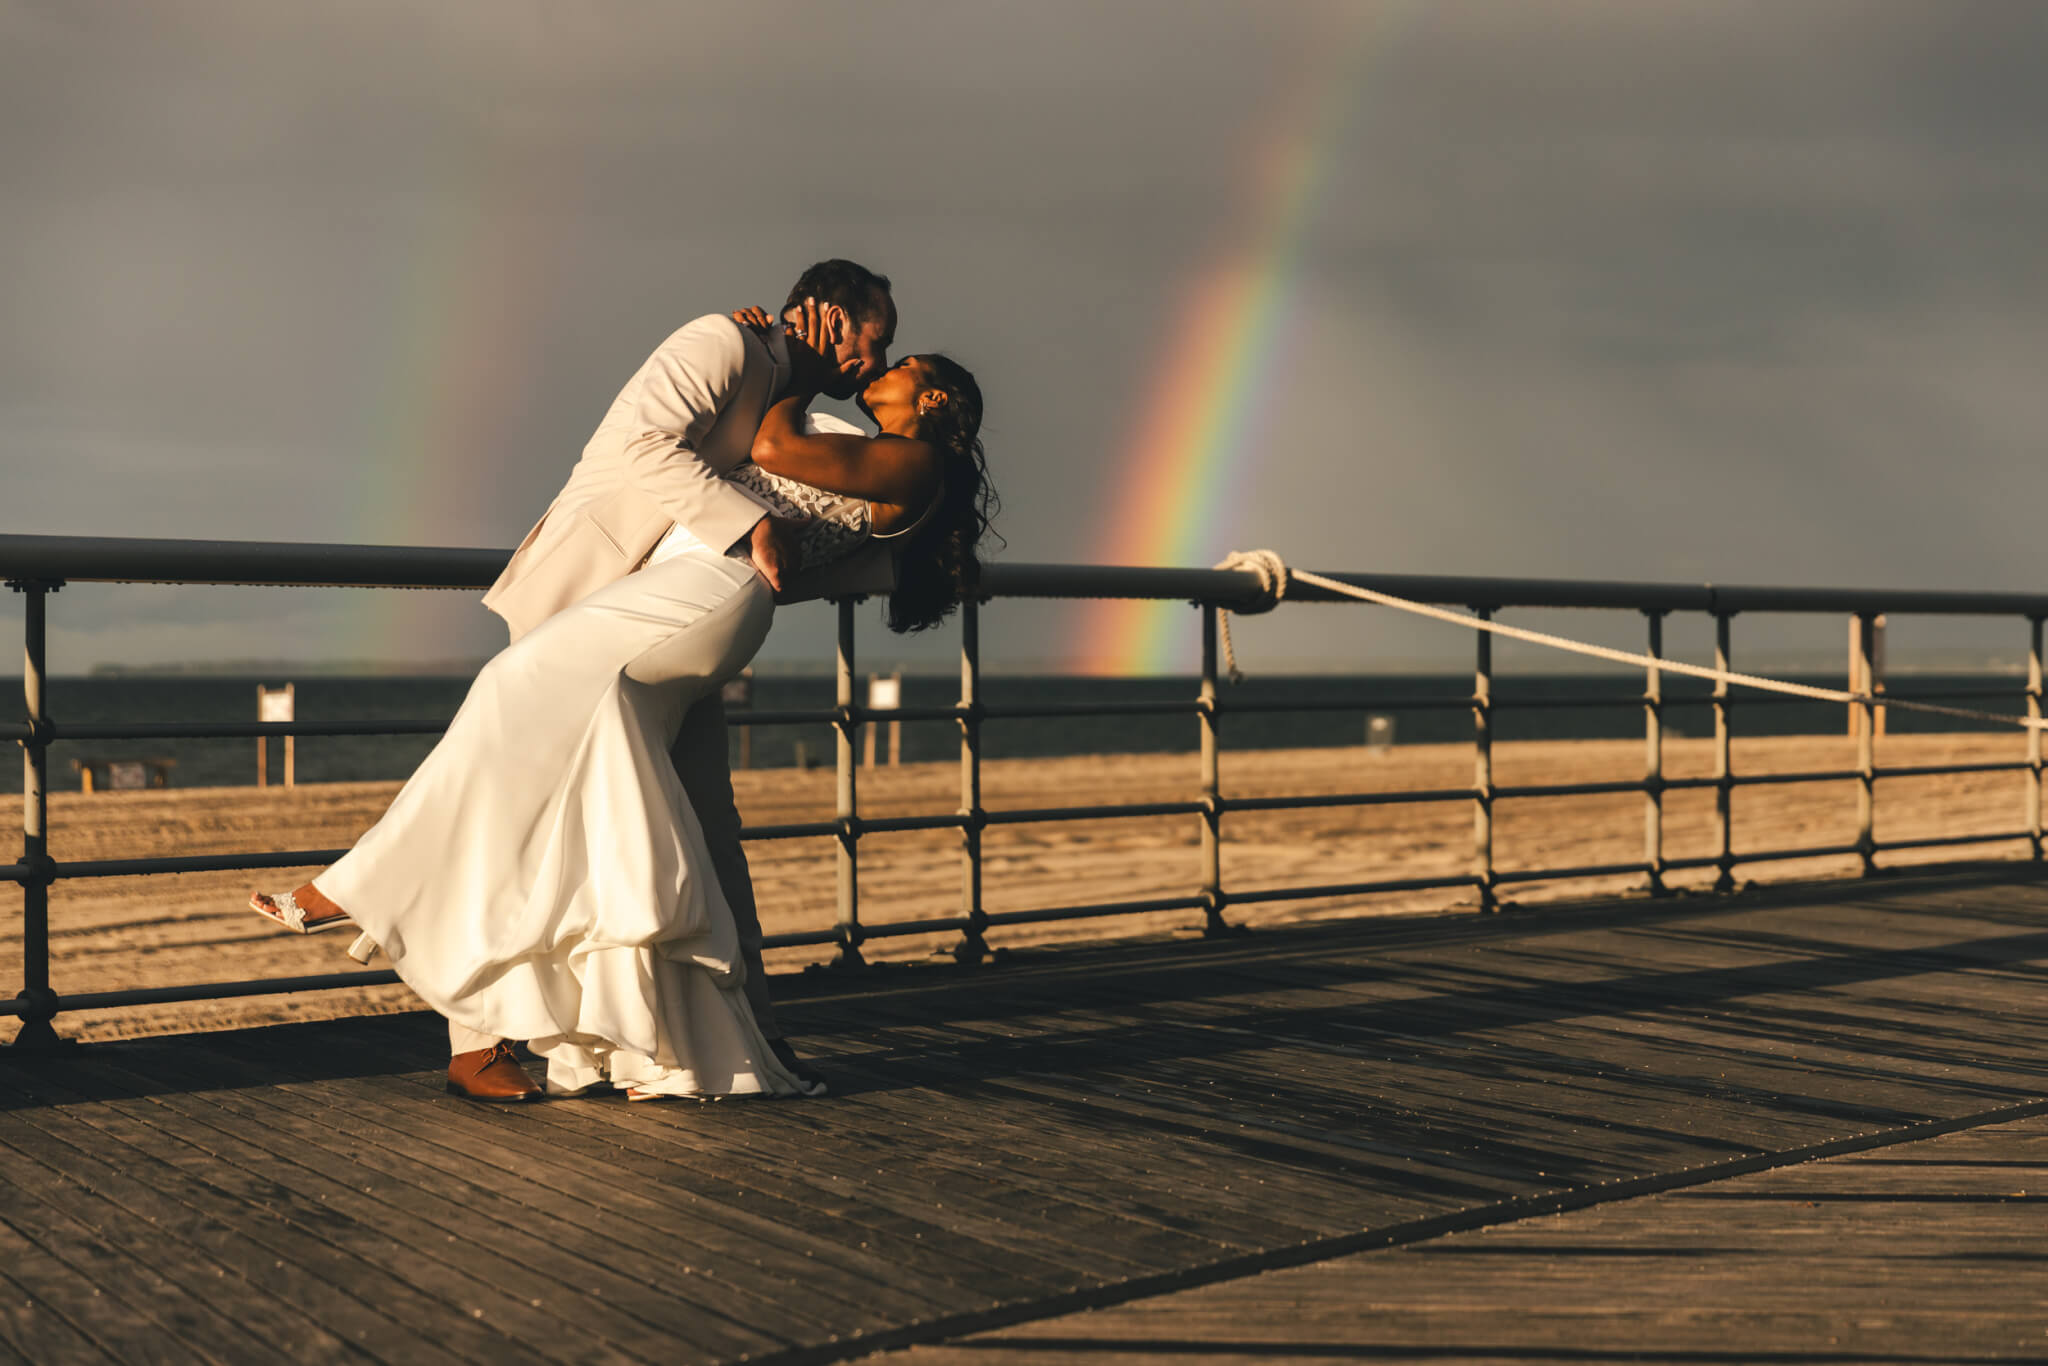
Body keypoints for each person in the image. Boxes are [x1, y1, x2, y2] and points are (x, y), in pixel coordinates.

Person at [249, 267, 994, 1104]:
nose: (878, 359)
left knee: (669, 818)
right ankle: (503, 1040)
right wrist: (763, 514)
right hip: (597, 581)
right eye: (875, 338)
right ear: (825, 314)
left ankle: (369, 894)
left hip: (682, 603)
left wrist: (768, 531)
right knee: (593, 804)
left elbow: (802, 509)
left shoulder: (835, 421)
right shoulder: (724, 342)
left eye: (892, 353)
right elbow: (647, 448)